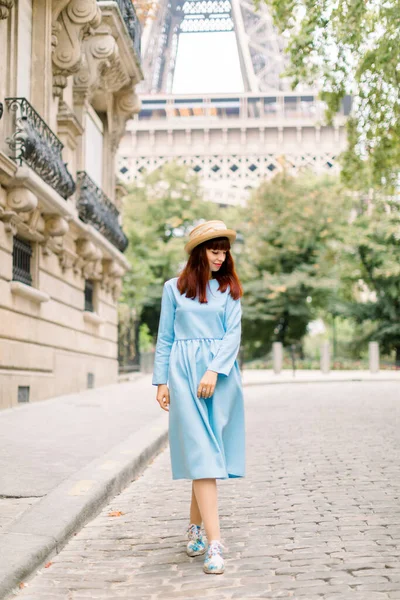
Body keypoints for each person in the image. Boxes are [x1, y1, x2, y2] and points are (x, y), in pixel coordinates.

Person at [152, 219, 245, 575]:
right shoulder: (173, 289)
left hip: (218, 379)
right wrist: (161, 381)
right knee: (201, 452)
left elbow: (232, 337)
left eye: (224, 251)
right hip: (182, 374)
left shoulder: (231, 290)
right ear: (198, 252)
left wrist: (213, 371)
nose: (220, 258)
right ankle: (214, 543)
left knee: (205, 455)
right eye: (214, 250)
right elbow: (165, 337)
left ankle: (194, 527)